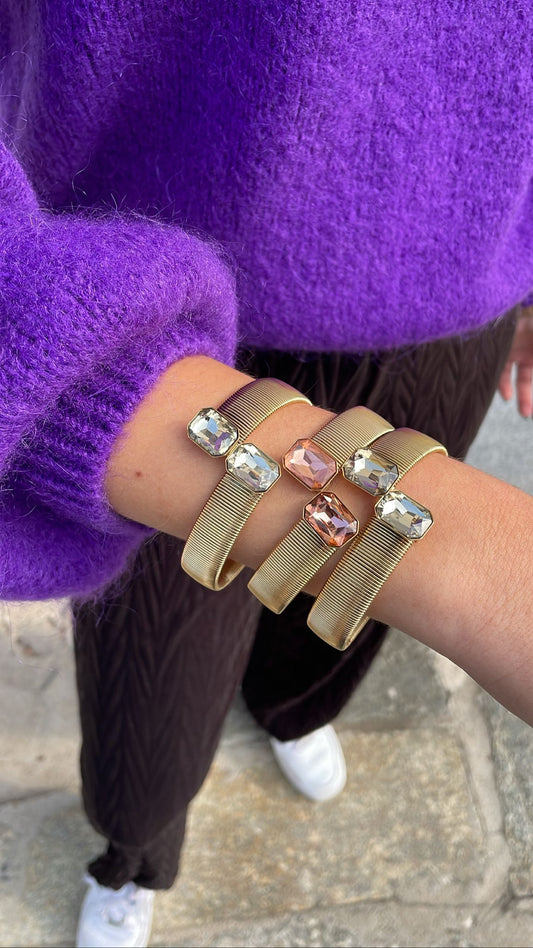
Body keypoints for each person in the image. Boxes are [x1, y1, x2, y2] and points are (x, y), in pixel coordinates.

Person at [1, 4, 533, 946]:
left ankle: (290, 711)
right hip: (146, 298)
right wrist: (66, 355)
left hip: (460, 291)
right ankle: (133, 854)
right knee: (151, 707)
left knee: (331, 640)